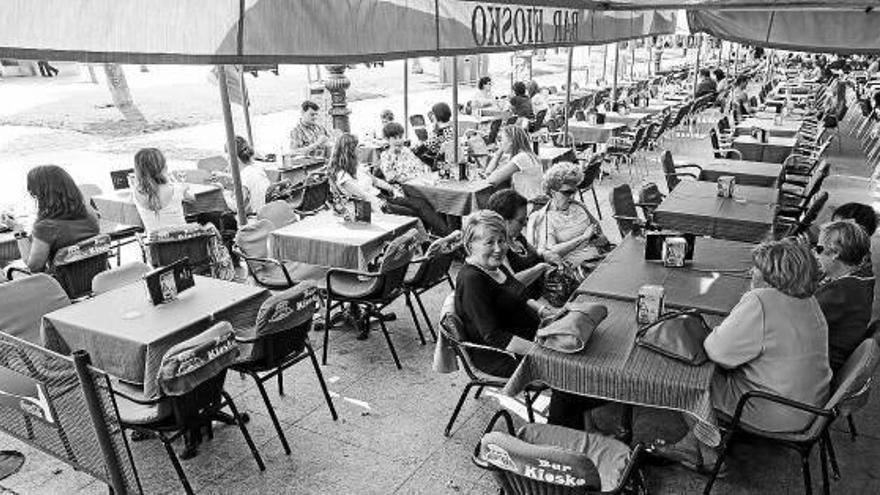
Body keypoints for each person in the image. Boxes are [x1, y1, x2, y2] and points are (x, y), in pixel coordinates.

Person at [652, 239, 831, 472]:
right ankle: (690, 442)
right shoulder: (809, 300)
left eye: (756, 268)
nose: (751, 272)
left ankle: (709, 457)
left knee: (682, 374)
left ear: (772, 275)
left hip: (773, 409)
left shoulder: (762, 300)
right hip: (809, 406)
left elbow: (717, 352)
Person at [454, 210, 606, 430]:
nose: (498, 248)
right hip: (500, 355)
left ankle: (586, 426)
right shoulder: (472, 280)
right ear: (470, 244)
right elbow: (494, 336)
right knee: (570, 374)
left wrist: (544, 311)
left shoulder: (493, 265)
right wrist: (540, 352)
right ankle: (560, 433)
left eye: (501, 240)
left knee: (588, 344)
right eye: (489, 242)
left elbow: (518, 293)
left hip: (529, 336)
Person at [330, 133, 449, 235]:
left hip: (382, 198)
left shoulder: (357, 166)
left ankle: (444, 235)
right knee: (415, 213)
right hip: (373, 206)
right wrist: (381, 212)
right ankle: (439, 238)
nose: (360, 149)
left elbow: (375, 181)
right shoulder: (343, 176)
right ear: (349, 150)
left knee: (421, 203)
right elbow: (364, 197)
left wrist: (392, 189)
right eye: (357, 147)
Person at [10, 165, 99, 274]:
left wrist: (18, 231)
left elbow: (34, 267)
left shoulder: (46, 227)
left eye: (34, 194)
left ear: (41, 194)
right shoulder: (90, 213)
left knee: (6, 270)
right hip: (97, 278)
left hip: (60, 283)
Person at [814, 221, 874, 372]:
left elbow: (794, 319)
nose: (815, 254)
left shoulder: (840, 292)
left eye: (819, 249)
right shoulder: (864, 280)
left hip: (820, 366)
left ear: (835, 253)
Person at [527, 163, 608, 270]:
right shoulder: (545, 217)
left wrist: (599, 238)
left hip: (598, 258)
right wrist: (583, 238)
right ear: (553, 192)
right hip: (576, 269)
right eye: (567, 192)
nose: (572, 196)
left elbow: (599, 231)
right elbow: (550, 253)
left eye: (574, 191)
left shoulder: (579, 206)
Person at [487, 189, 560, 296]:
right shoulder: (497, 250)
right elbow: (511, 283)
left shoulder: (517, 238)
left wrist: (545, 254)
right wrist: (540, 268)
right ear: (503, 221)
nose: (525, 224)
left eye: (526, 219)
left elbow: (536, 252)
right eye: (521, 221)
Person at [131, 148, 195, 232]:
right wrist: (183, 188)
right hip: (182, 238)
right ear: (163, 167)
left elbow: (152, 188)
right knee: (207, 222)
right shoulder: (175, 189)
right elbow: (193, 199)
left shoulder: (136, 192)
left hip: (155, 240)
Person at [483, 125, 543, 200]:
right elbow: (488, 174)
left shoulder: (521, 158)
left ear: (511, 141)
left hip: (530, 202)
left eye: (501, 140)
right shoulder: (527, 155)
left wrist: (498, 153)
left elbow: (492, 180)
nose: (500, 143)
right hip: (535, 199)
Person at [224, 136, 270, 215]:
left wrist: (224, 193)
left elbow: (236, 206)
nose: (228, 161)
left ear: (235, 159)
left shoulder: (244, 176)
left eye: (228, 158)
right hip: (268, 211)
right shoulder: (257, 167)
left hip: (257, 216)